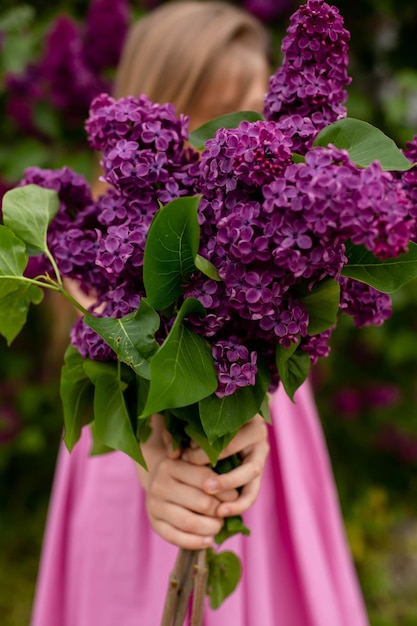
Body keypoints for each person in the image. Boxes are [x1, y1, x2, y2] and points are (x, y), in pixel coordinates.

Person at [30, 2, 370, 625]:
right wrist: (159, 464)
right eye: (209, 122)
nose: (236, 146)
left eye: (251, 115)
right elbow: (127, 364)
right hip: (131, 469)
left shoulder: (280, 219)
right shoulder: (104, 235)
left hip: (262, 453)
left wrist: (249, 423)